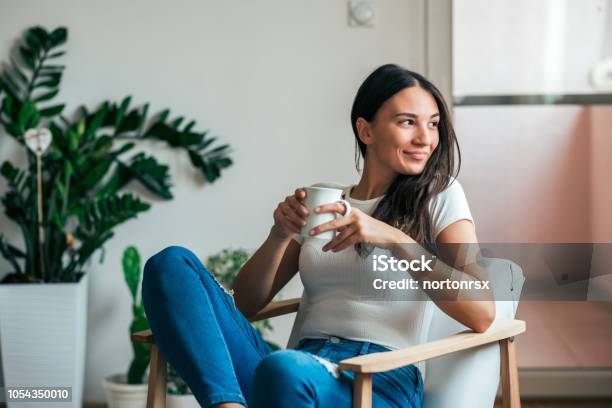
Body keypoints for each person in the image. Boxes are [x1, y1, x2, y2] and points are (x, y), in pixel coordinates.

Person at [142, 64, 495, 408]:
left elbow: (482, 311)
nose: (425, 138)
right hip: (297, 370)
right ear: (365, 130)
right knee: (170, 264)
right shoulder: (324, 199)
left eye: (432, 125)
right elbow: (245, 306)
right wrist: (279, 235)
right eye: (408, 122)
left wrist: (392, 239)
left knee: (284, 368)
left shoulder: (439, 196)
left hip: (379, 378)